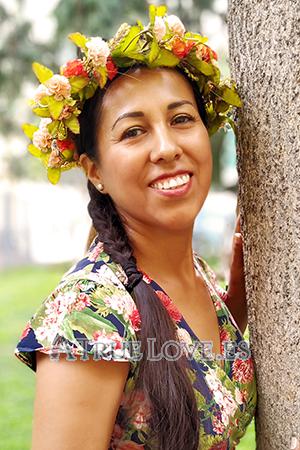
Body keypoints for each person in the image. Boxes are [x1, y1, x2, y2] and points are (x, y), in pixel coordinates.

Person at [15, 5, 258, 450]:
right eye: (133, 132)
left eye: (181, 119)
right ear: (95, 172)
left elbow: (193, 370)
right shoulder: (89, 316)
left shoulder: (195, 275)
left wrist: (237, 304)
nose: (166, 147)